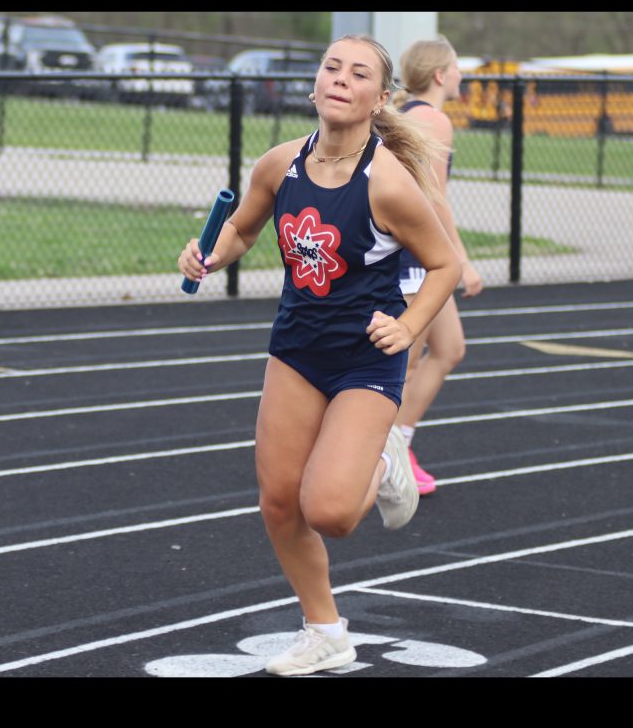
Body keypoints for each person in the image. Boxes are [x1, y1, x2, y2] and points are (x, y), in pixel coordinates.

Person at [178, 34, 461, 676]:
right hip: (297, 349)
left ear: (379, 99)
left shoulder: (387, 182)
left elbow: (443, 263)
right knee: (280, 503)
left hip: (365, 358)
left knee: (329, 513)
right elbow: (243, 228)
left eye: (358, 73)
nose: (340, 79)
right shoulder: (280, 164)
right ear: (314, 84)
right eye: (332, 67)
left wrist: (410, 325)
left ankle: (386, 457)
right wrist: (209, 254)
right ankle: (326, 631)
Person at [391, 37, 484, 495]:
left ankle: (398, 444)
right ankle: (378, 453)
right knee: (401, 368)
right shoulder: (434, 120)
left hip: (417, 254)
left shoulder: (411, 115)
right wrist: (461, 260)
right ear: (441, 75)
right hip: (416, 258)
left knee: (449, 348)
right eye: (457, 67)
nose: (462, 75)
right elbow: (435, 199)